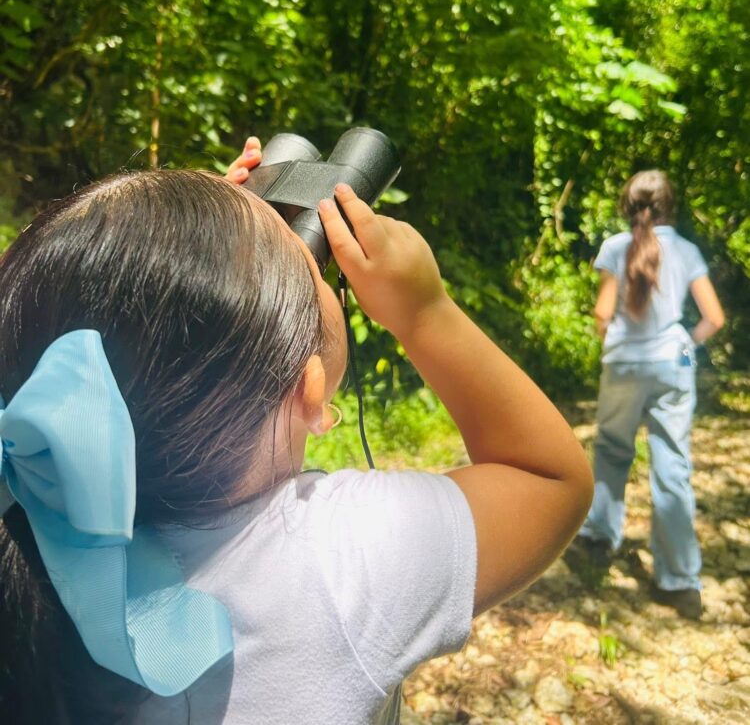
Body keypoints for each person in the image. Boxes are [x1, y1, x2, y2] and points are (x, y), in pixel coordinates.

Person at [0, 137, 593, 725]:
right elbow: (548, 477)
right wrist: (423, 309)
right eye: (310, 268)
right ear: (309, 389)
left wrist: (186, 245)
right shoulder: (342, 561)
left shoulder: (20, 536)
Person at [573, 169, 725, 619]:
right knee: (672, 466)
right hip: (672, 364)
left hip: (623, 363)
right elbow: (713, 317)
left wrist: (615, 344)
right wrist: (684, 343)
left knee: (613, 451)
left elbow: (603, 312)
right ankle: (679, 582)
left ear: (627, 204)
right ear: (669, 205)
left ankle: (598, 540)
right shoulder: (687, 250)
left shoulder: (616, 248)